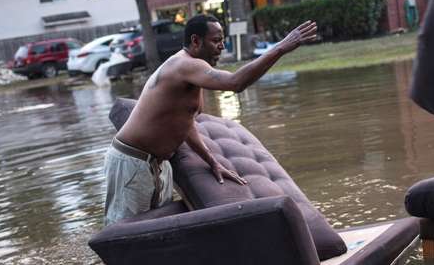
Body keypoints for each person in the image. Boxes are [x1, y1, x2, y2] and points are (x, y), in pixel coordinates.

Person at [103, 14, 318, 225]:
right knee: (123, 234)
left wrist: (213, 162)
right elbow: (236, 83)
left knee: (153, 232)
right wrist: (280, 48)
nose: (222, 46)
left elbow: (186, 123)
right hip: (133, 161)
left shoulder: (193, 73)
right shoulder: (184, 65)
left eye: (222, 40)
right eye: (216, 40)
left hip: (157, 164)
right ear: (196, 41)